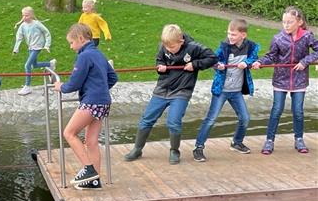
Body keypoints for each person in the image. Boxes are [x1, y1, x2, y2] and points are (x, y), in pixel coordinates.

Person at [124, 24, 218, 164]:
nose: (170, 50)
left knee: (173, 122)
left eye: (173, 47)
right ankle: (137, 149)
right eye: (167, 47)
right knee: (146, 119)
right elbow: (159, 59)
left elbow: (212, 58)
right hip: (163, 88)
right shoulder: (164, 45)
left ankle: (174, 151)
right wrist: (160, 67)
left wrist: (195, 64)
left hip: (182, 90)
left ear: (181, 41)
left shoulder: (193, 47)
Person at [53, 24, 118, 190]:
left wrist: (61, 87)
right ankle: (94, 181)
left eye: (71, 42)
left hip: (92, 101)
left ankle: (88, 170)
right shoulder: (98, 54)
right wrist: (100, 88)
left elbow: (75, 82)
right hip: (104, 101)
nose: (71, 46)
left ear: (81, 39)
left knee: (69, 132)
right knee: (91, 141)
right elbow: (113, 77)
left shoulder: (84, 56)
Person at [252, 6, 318, 155]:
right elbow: (271, 56)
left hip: (299, 80)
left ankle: (299, 139)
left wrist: (305, 61)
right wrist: (260, 62)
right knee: (276, 110)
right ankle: (269, 140)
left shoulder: (307, 36)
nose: (286, 25)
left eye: (290, 22)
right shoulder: (278, 38)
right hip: (281, 79)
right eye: (284, 22)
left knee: (298, 112)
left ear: (299, 22)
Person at [193, 19, 260, 162]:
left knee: (245, 118)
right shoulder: (224, 46)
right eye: (229, 33)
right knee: (211, 119)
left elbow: (254, 58)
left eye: (233, 34)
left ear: (243, 35)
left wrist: (247, 63)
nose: (230, 37)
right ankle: (198, 147)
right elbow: (214, 60)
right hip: (222, 90)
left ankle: (236, 142)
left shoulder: (251, 46)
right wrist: (219, 65)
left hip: (236, 91)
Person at [13, 6, 56, 96]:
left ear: (32, 15)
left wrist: (47, 45)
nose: (24, 17)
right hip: (31, 47)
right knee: (34, 65)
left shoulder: (37, 24)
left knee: (27, 65)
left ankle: (27, 86)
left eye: (27, 15)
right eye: (23, 15)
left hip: (38, 47)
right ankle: (50, 64)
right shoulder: (23, 26)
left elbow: (47, 33)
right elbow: (19, 37)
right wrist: (16, 48)